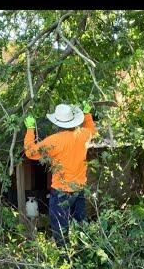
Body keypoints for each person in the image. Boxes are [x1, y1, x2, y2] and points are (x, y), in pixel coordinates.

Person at [23, 102, 97, 246]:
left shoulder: (54, 140)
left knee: (60, 229)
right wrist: (87, 115)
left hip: (61, 192)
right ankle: (81, 258)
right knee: (79, 228)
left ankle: (65, 260)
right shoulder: (83, 135)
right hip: (79, 190)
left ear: (57, 123)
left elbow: (30, 152)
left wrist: (30, 129)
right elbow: (91, 129)